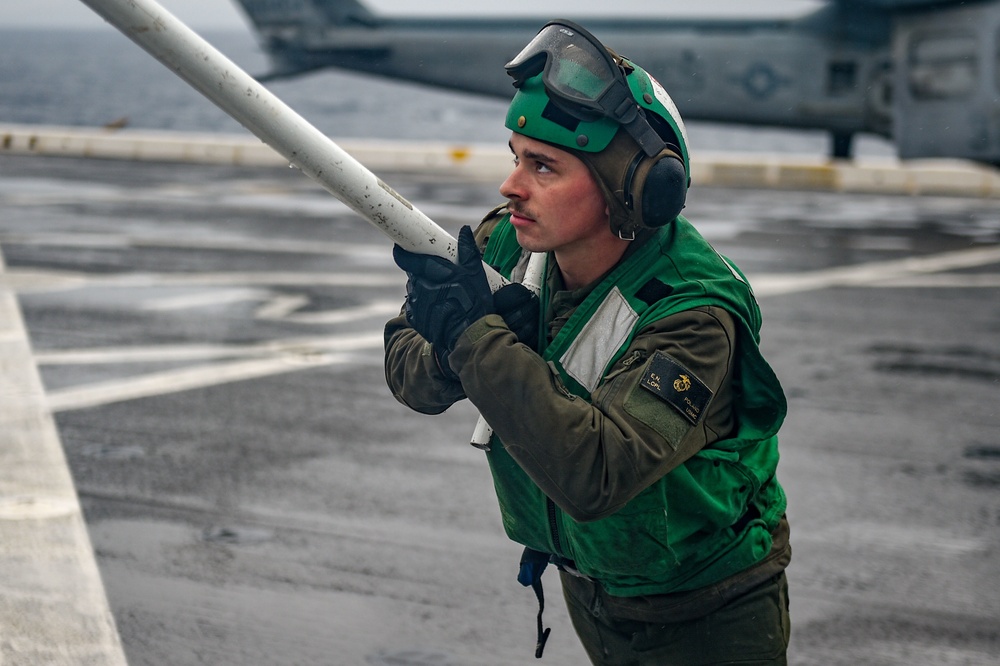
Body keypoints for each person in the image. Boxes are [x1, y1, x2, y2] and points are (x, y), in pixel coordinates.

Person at [384, 20, 791, 665]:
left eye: (543, 166)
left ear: (630, 189)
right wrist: (448, 350)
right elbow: (403, 364)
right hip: (591, 586)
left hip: (708, 606)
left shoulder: (691, 313)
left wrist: (478, 340)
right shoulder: (510, 242)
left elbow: (598, 473)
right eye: (515, 157)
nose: (510, 186)